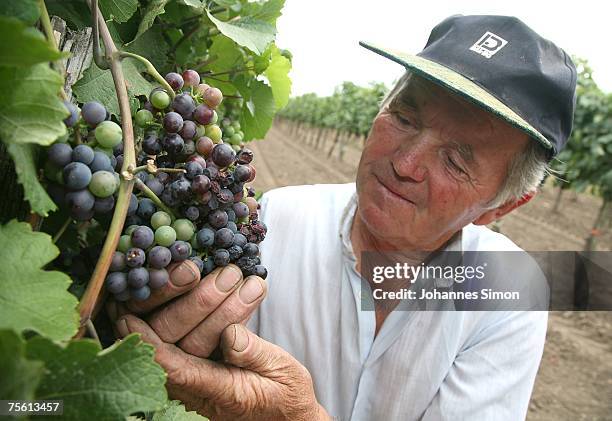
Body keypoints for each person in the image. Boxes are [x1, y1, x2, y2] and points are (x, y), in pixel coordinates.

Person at [112, 14, 577, 420]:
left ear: (502, 206)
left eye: (456, 161)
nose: (405, 164)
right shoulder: (275, 218)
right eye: (405, 117)